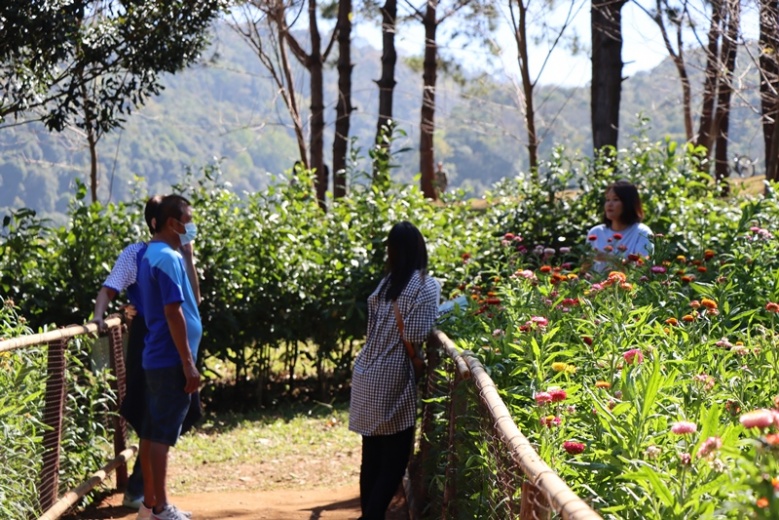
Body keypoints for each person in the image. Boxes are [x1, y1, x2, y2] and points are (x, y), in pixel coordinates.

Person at [349, 221, 440, 520]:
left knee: (371, 455)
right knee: (396, 458)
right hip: (393, 374)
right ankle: (372, 516)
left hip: (366, 371)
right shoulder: (425, 284)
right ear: (420, 248)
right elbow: (413, 333)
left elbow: (373, 328)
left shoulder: (385, 284)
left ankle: (369, 515)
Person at [90, 195, 162, 510]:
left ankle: (146, 488)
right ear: (157, 223)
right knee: (148, 411)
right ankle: (139, 489)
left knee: (162, 415)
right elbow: (109, 288)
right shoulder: (135, 254)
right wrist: (99, 316)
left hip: (172, 338)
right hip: (147, 340)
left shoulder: (177, 255)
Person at [136, 194, 202, 520]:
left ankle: (150, 505)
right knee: (161, 434)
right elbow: (173, 312)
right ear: (173, 223)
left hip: (157, 356)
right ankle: (161, 508)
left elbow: (189, 303)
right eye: (188, 219)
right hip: (169, 359)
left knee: (151, 432)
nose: (191, 225)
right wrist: (188, 363)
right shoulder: (167, 259)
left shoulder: (154, 254)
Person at [586, 180, 653, 272]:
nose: (609, 204)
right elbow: (585, 268)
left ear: (628, 203)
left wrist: (609, 258)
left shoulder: (642, 233)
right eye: (608, 200)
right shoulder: (595, 233)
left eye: (615, 199)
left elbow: (641, 268)